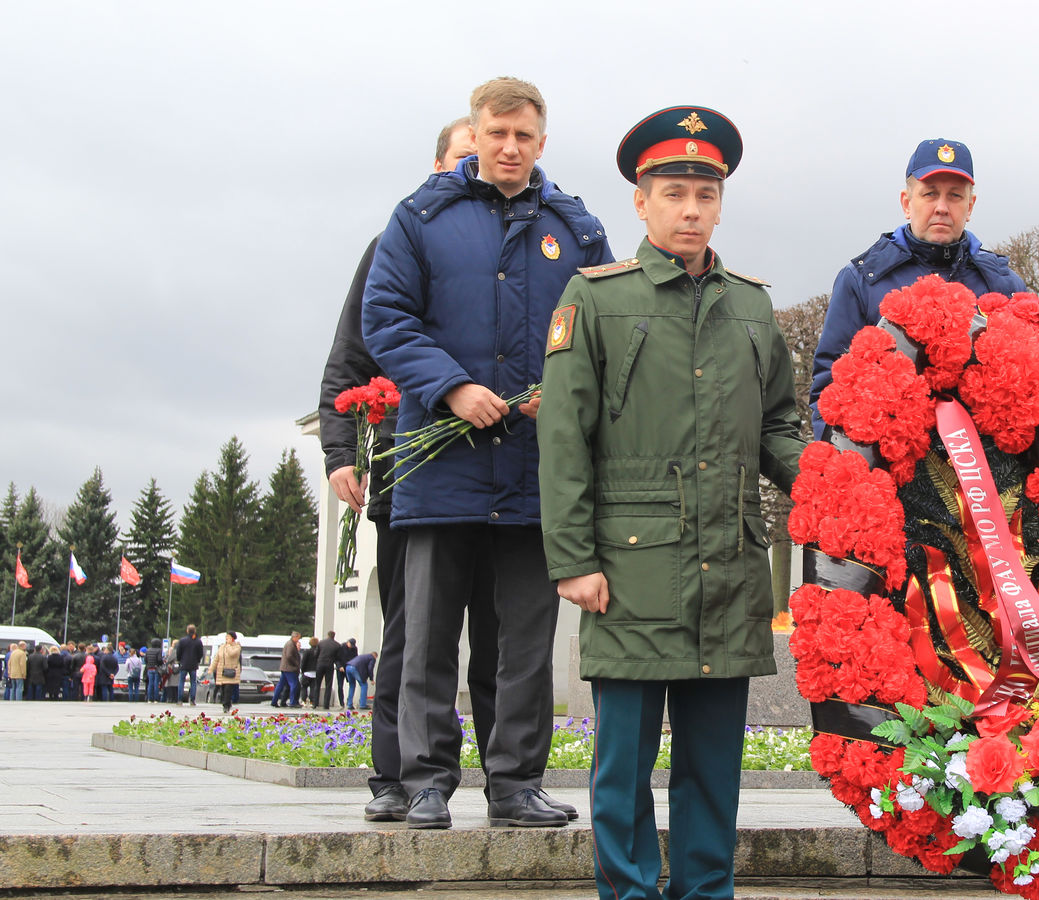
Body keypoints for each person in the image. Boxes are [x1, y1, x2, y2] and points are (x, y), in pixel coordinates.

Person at [540, 104, 808, 900]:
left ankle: (704, 890)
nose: (690, 209)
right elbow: (563, 438)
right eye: (673, 192)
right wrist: (573, 559)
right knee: (622, 764)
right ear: (640, 201)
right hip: (629, 570)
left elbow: (782, 424)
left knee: (713, 764)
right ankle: (626, 892)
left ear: (720, 201)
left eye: (704, 193)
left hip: (729, 566)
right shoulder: (593, 300)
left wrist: (831, 484)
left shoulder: (753, 306)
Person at [364, 76, 612, 830]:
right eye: (497, 133)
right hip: (442, 469)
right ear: (476, 134)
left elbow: (605, 329)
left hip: (537, 473)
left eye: (524, 136)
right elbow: (385, 317)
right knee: (430, 637)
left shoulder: (576, 229)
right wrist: (452, 389)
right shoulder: (421, 218)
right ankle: (428, 779)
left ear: (542, 141)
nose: (510, 147)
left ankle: (514, 784)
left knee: (524, 645)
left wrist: (561, 393)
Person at [318, 115, 501, 822]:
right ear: (437, 166)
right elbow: (350, 358)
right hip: (412, 465)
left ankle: (506, 779)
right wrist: (340, 450)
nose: (474, 170)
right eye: (462, 158)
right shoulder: (395, 243)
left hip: (496, 468)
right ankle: (394, 775)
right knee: (410, 633)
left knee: (497, 634)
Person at [808, 138, 1026, 436]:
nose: (942, 207)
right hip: (892, 472)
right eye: (930, 194)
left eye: (954, 196)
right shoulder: (861, 280)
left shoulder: (1004, 284)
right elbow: (828, 389)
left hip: (988, 475)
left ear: (970, 206)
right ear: (907, 203)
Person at [210, 631, 243, 714]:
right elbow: (216, 658)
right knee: (223, 690)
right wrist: (211, 668)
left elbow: (232, 654)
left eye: (228, 637)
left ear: (232, 638)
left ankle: (226, 706)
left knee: (228, 689)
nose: (226, 639)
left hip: (231, 672)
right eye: (226, 638)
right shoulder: (222, 647)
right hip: (222, 672)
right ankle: (227, 703)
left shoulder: (237, 647)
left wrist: (228, 645)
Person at [174, 625, 204, 705]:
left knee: (181, 681)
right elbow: (201, 653)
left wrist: (179, 660)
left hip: (184, 663)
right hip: (193, 664)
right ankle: (192, 700)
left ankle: (180, 700)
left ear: (187, 631)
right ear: (195, 631)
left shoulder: (182, 640)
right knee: (193, 682)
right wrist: (197, 660)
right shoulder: (198, 641)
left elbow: (178, 652)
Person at [272, 632, 301, 709]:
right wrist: (296, 663)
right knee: (293, 684)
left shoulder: (289, 643)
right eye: (298, 638)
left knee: (280, 685)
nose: (298, 640)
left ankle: (274, 701)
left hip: (285, 668)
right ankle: (293, 702)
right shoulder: (291, 645)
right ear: (294, 637)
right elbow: (289, 656)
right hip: (290, 668)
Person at [315, 630, 339, 709]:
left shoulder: (321, 643)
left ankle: (315, 703)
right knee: (328, 685)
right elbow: (337, 657)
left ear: (327, 635)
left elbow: (316, 654)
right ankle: (326, 705)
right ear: (334, 636)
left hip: (320, 664)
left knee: (317, 684)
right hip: (329, 665)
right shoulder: (337, 645)